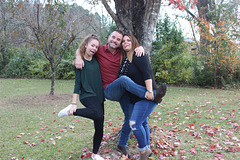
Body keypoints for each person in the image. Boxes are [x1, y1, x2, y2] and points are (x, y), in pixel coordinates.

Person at [75, 30, 166, 158]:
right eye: (113, 38)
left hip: (124, 91)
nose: (115, 41)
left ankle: (122, 144)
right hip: (109, 90)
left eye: (119, 40)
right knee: (123, 80)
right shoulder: (99, 50)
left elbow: (133, 50)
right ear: (109, 37)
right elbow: (83, 48)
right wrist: (78, 57)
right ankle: (152, 94)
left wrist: (139, 47)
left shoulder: (122, 53)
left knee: (130, 119)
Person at [58, 34, 105, 160]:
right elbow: (77, 83)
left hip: (99, 96)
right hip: (87, 95)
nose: (94, 48)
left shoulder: (96, 58)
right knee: (98, 114)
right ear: (86, 45)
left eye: (96, 46)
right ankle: (71, 111)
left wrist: (78, 53)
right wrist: (74, 103)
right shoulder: (80, 63)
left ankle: (95, 154)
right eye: (92, 45)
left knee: (99, 126)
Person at [120, 33, 166, 160]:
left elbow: (147, 72)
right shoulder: (126, 58)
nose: (125, 43)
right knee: (143, 122)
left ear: (134, 42)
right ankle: (147, 149)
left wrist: (150, 90)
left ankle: (142, 152)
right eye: (123, 41)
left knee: (134, 123)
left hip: (147, 96)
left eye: (128, 40)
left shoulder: (138, 54)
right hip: (136, 99)